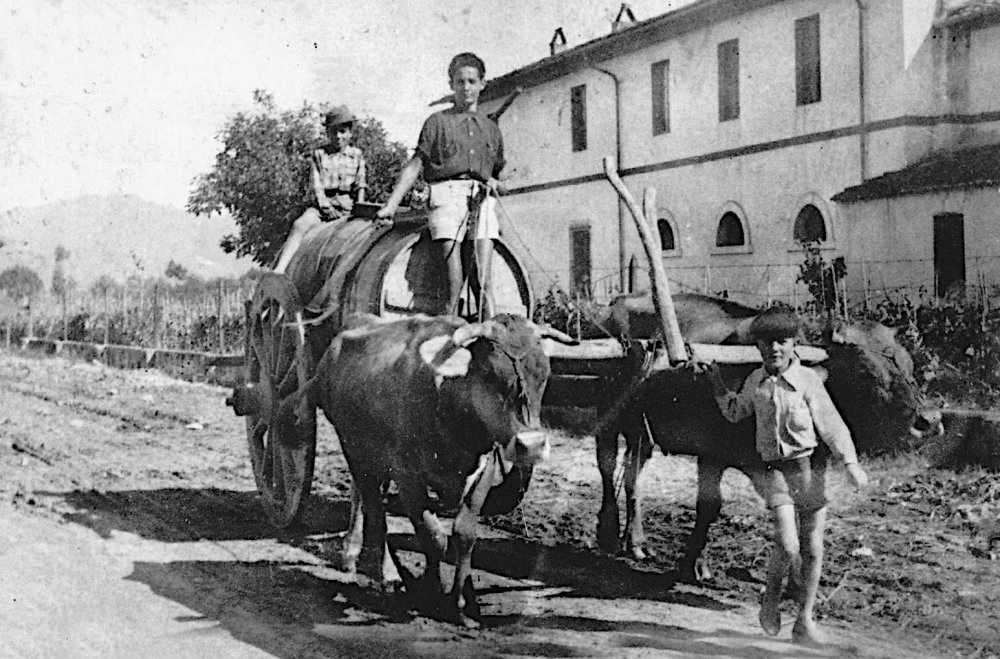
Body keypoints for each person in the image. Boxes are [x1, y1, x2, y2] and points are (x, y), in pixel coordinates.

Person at [703, 307, 869, 645]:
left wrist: (850, 464)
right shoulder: (755, 381)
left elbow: (832, 425)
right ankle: (770, 603)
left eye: (781, 341)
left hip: (809, 469)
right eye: (766, 344)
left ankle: (804, 622)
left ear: (793, 344)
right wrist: (716, 382)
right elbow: (735, 412)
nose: (774, 349)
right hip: (774, 471)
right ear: (758, 348)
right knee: (788, 542)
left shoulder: (807, 381)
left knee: (812, 548)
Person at [375, 52, 506, 318]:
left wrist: (496, 183)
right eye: (460, 82)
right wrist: (390, 206)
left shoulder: (491, 128)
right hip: (446, 197)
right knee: (453, 282)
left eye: (472, 81)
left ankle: (490, 347)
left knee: (483, 282)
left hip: (481, 200)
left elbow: (500, 173)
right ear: (451, 85)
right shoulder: (436, 123)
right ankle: (446, 339)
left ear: (482, 84)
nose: (466, 88)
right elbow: (415, 165)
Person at [274, 105, 366, 273]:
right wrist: (326, 207)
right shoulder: (319, 154)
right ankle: (280, 270)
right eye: (334, 132)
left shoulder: (357, 155)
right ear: (328, 133)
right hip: (323, 207)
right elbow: (316, 185)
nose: (339, 136)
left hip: (348, 206)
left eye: (343, 131)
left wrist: (359, 208)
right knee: (300, 225)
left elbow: (360, 185)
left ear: (350, 133)